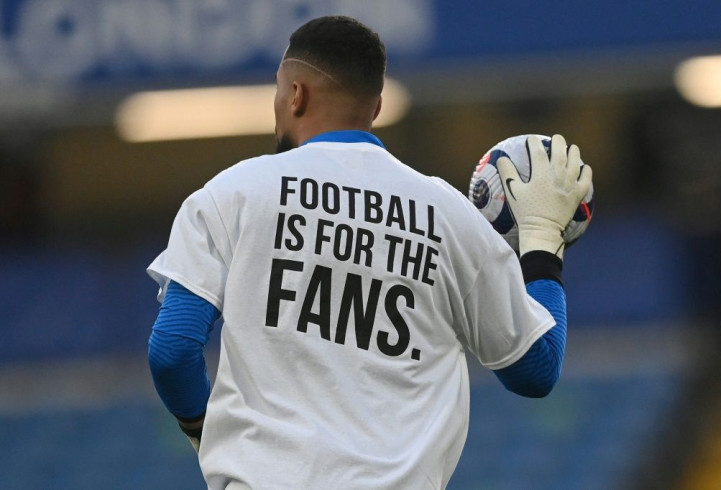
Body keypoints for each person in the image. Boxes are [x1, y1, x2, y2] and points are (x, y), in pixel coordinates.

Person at [147, 15, 592, 490]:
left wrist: (202, 431)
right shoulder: (449, 215)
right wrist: (543, 240)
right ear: (377, 106)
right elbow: (537, 369)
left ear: (295, 95)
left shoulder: (230, 194)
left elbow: (173, 350)